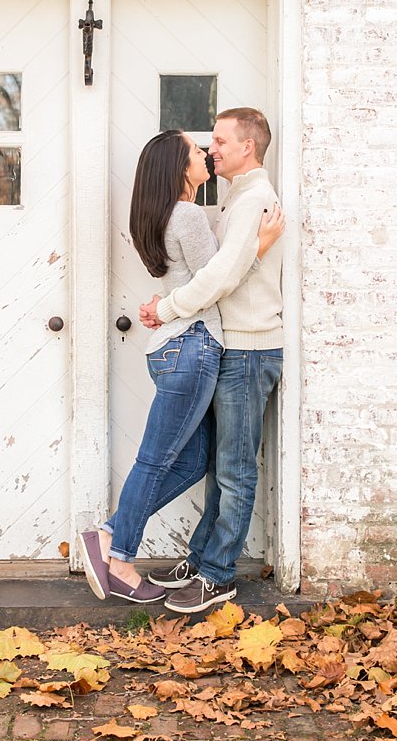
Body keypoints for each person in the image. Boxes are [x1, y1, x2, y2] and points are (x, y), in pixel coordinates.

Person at [76, 130, 284, 603]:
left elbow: (198, 274)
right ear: (177, 166)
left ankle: (112, 533)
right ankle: (117, 549)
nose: (205, 154)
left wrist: (165, 304)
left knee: (192, 461)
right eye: (195, 151)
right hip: (191, 346)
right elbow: (220, 277)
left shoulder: (166, 215)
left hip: (176, 347)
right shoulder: (187, 213)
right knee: (158, 457)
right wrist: (260, 246)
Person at [140, 107, 283, 614]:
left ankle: (218, 574)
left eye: (220, 140)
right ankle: (202, 558)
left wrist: (167, 308)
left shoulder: (254, 202)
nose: (212, 147)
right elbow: (234, 267)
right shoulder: (237, 200)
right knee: (219, 465)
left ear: (248, 147)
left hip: (249, 347)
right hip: (232, 346)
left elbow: (224, 275)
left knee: (236, 469)